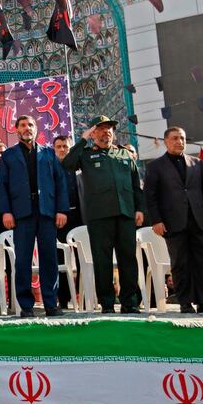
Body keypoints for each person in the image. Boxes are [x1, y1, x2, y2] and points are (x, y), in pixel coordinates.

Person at [62, 115, 145, 314]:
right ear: (94, 133)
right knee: (103, 260)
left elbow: (136, 185)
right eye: (100, 129)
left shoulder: (125, 155)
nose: (106, 132)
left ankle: (129, 302)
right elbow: (67, 164)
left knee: (128, 259)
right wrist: (83, 139)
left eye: (109, 129)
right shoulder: (87, 155)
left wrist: (140, 208)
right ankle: (107, 303)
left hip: (125, 214)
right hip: (99, 216)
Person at [144, 127, 203, 314]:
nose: (180, 141)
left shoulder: (197, 163)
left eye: (183, 138)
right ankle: (185, 302)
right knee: (180, 262)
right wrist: (156, 220)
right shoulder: (155, 166)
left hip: (198, 219)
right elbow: (150, 196)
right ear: (166, 141)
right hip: (172, 221)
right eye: (175, 138)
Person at [0, 115, 69, 317]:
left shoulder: (48, 153)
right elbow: (2, 186)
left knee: (49, 258)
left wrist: (61, 210)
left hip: (46, 212)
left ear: (36, 129)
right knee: (22, 261)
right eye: (22, 125)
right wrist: (6, 212)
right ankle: (26, 306)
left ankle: (50, 303)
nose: (27, 128)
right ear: (16, 130)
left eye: (30, 125)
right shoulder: (9, 155)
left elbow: (60, 182)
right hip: (22, 214)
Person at [53, 135, 83, 310]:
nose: (63, 149)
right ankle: (62, 298)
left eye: (65, 146)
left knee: (83, 260)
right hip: (59, 220)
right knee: (60, 260)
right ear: (54, 149)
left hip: (79, 218)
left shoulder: (79, 167)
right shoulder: (50, 167)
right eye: (59, 146)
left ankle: (83, 296)